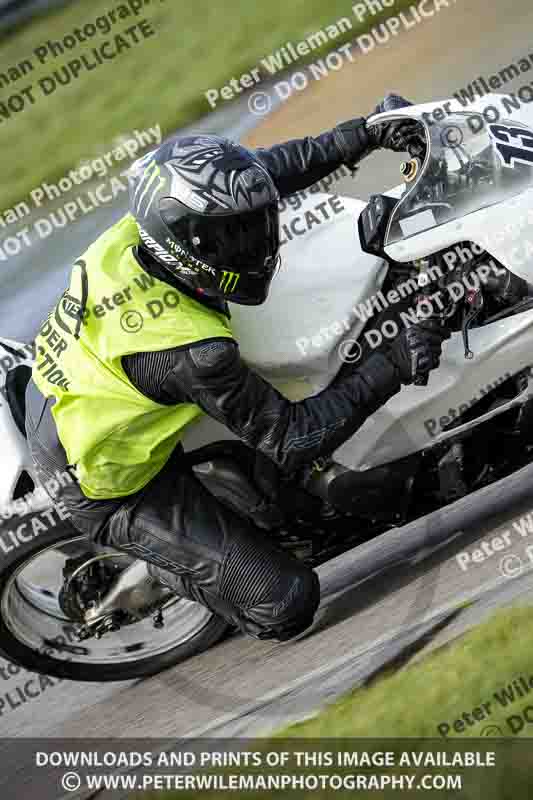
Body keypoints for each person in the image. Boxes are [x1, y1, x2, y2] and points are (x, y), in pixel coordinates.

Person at [25, 95, 447, 642]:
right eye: (238, 237)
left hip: (71, 381)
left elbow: (266, 174)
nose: (261, 241)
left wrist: (367, 133)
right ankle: (160, 568)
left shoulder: (157, 218)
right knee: (287, 604)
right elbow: (295, 438)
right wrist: (396, 357)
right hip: (106, 485)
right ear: (191, 248)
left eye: (253, 228)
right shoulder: (193, 352)